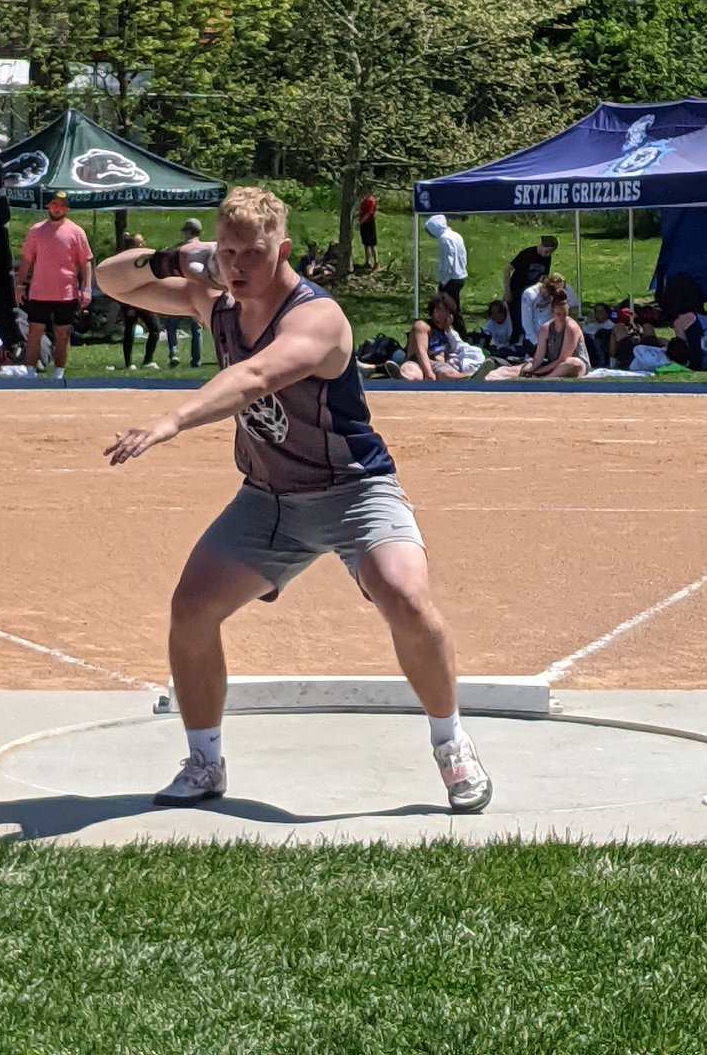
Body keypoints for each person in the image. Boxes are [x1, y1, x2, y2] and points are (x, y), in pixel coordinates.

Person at [97, 186, 492, 814]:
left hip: (355, 491)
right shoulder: (218, 298)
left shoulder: (319, 318)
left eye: (251, 253)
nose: (237, 267)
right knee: (192, 610)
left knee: (407, 598)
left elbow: (254, 376)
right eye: (227, 253)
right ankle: (204, 761)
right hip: (268, 500)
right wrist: (177, 258)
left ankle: (452, 743)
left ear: (282, 250)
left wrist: (173, 418)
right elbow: (111, 280)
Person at [15, 191, 93, 379]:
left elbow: (85, 262)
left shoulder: (76, 232)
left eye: (61, 205)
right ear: (49, 206)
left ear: (67, 209)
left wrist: (87, 288)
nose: (56, 208)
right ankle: (29, 370)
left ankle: (59, 371)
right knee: (35, 331)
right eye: (53, 204)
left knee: (63, 333)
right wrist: (19, 285)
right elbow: (26, 259)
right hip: (39, 291)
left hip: (66, 292)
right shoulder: (36, 230)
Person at [485, 291, 589, 380]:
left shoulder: (571, 328)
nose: (562, 318)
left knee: (573, 363)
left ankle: (545, 379)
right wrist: (528, 369)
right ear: (552, 312)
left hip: (571, 365)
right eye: (558, 314)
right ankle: (490, 375)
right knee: (521, 367)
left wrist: (538, 373)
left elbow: (563, 359)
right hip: (552, 364)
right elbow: (538, 359)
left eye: (564, 314)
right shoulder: (546, 328)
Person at [384, 292, 485, 381]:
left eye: (445, 310)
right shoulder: (422, 326)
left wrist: (448, 328)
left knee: (449, 373)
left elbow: (460, 346)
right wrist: (428, 372)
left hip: (439, 365)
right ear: (432, 311)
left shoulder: (448, 332)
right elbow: (421, 351)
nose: (440, 314)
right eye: (438, 310)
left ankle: (471, 378)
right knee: (412, 372)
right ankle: (402, 377)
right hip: (419, 361)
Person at [160, 218, 211, 369]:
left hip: (178, 290)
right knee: (196, 328)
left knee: (172, 325)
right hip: (197, 292)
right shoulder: (206, 248)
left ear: (188, 231)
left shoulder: (178, 249)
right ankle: (196, 359)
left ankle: (174, 353)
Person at [116, 234, 160, 371]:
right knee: (129, 329)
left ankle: (148, 360)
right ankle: (129, 363)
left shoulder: (146, 258)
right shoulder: (125, 260)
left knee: (155, 328)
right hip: (130, 299)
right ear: (132, 245)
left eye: (142, 242)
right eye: (139, 243)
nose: (142, 245)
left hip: (144, 298)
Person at [504, 235, 557, 341]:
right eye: (547, 251)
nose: (547, 254)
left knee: (531, 320)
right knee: (518, 321)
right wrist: (507, 290)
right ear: (541, 245)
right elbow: (507, 270)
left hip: (533, 292)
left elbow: (544, 277)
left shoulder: (547, 258)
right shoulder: (527, 254)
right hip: (517, 291)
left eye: (551, 252)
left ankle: (529, 342)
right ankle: (515, 343)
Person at [520, 272, 579, 354]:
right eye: (547, 294)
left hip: (552, 339)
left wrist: (564, 286)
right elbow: (526, 323)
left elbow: (574, 302)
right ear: (544, 285)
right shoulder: (529, 294)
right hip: (534, 340)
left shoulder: (554, 293)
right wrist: (537, 343)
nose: (548, 298)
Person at [424, 215, 467, 306]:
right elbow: (463, 255)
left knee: (448, 305)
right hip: (461, 275)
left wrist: (444, 281)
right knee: (455, 302)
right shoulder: (456, 235)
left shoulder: (444, 239)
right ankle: (457, 318)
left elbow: (448, 261)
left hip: (451, 278)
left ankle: (451, 319)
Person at [358, 188, 379, 271]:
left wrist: (361, 221)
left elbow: (369, 213)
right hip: (363, 224)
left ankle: (376, 263)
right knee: (366, 244)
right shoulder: (364, 200)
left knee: (372, 244)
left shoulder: (371, 201)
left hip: (369, 223)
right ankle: (368, 262)